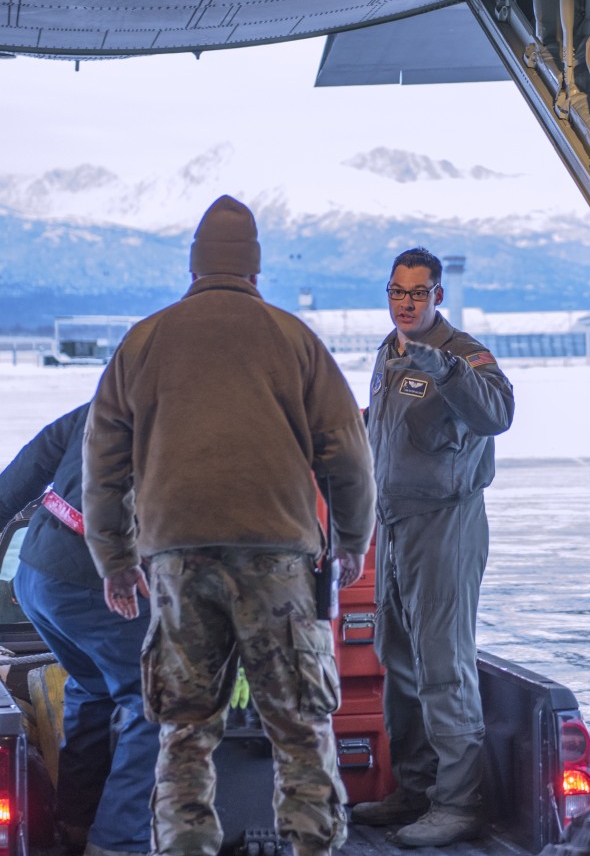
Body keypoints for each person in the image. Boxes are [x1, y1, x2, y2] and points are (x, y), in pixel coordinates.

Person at [81, 194, 376, 856]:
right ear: (256, 267)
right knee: (299, 725)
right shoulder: (294, 338)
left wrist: (116, 558)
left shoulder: (143, 340)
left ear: (194, 265)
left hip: (177, 562)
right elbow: (349, 454)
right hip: (278, 558)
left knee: (185, 731)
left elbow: (101, 464)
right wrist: (352, 541)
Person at [351, 247, 515, 847]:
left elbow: (499, 413)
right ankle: (415, 790)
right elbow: (385, 431)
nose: (406, 303)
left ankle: (459, 802)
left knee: (443, 664)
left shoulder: (461, 355)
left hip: (446, 524)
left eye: (418, 293)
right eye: (397, 291)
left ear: (438, 296)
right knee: (396, 657)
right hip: (394, 523)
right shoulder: (388, 353)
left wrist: (449, 373)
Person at [0, 403, 159, 856]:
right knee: (158, 700)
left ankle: (73, 823)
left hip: (36, 574)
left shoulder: (117, 394)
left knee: (94, 687)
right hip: (94, 582)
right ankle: (116, 843)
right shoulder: (198, 413)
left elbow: (31, 464)